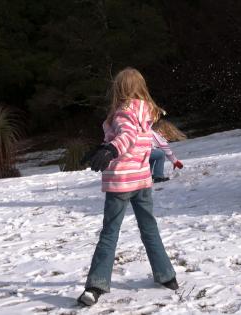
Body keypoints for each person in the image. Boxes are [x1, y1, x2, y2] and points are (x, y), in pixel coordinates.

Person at [78, 67, 178, 306]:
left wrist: (110, 149)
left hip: (121, 182)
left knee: (110, 232)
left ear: (119, 88)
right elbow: (133, 138)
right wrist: (101, 147)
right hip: (142, 180)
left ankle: (96, 285)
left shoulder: (124, 112)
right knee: (149, 228)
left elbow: (127, 135)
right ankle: (167, 276)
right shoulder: (148, 112)